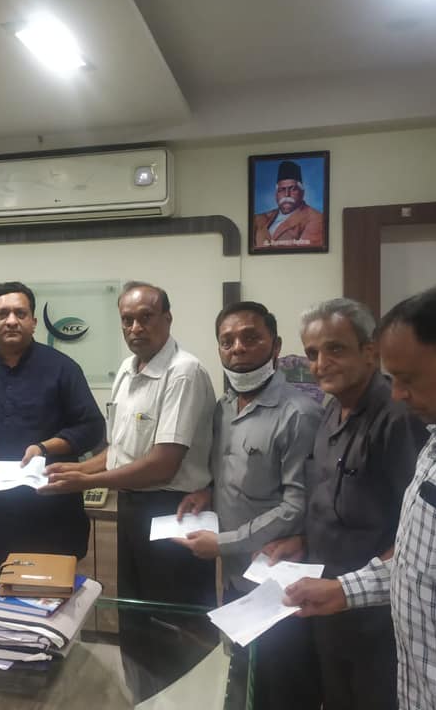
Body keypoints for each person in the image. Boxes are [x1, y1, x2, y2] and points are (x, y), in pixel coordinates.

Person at [285, 286, 436, 710]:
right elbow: (420, 563)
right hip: (418, 690)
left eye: (408, 378)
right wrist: (343, 590)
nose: (397, 394)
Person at [42, 282, 217, 701]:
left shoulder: (183, 372)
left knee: (173, 623)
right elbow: (119, 451)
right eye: (127, 319)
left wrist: (87, 481)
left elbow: (163, 463)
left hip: (173, 511)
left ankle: (185, 702)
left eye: (146, 317)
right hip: (133, 505)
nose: (136, 327)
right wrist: (78, 467)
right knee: (135, 617)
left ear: (167, 319)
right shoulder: (127, 369)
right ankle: (142, 700)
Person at [259, 298, 425, 710]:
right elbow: (331, 498)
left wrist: (354, 588)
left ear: (369, 351)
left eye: (335, 349)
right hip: (327, 604)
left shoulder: (397, 417)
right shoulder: (332, 409)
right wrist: (301, 540)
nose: (320, 364)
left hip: (378, 615)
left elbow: (418, 529)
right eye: (313, 353)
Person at [175, 300, 322, 710]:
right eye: (227, 341)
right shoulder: (222, 409)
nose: (237, 348)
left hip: (279, 581)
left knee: (281, 687)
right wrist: (208, 492)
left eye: (250, 338)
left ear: (276, 345)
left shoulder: (300, 413)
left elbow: (297, 505)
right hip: (235, 578)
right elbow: (231, 473)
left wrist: (222, 543)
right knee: (241, 678)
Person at [0, 281, 104, 578]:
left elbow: (92, 427)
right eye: (2, 314)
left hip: (51, 511)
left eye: (20, 313)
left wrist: (44, 447)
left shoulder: (63, 368)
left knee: (52, 598)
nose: (12, 320)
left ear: (34, 321)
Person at [252, 160, 324, 248]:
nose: (286, 194)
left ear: (302, 193)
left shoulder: (316, 219)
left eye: (292, 189)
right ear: (276, 194)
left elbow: (304, 253)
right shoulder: (259, 219)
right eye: (281, 190)